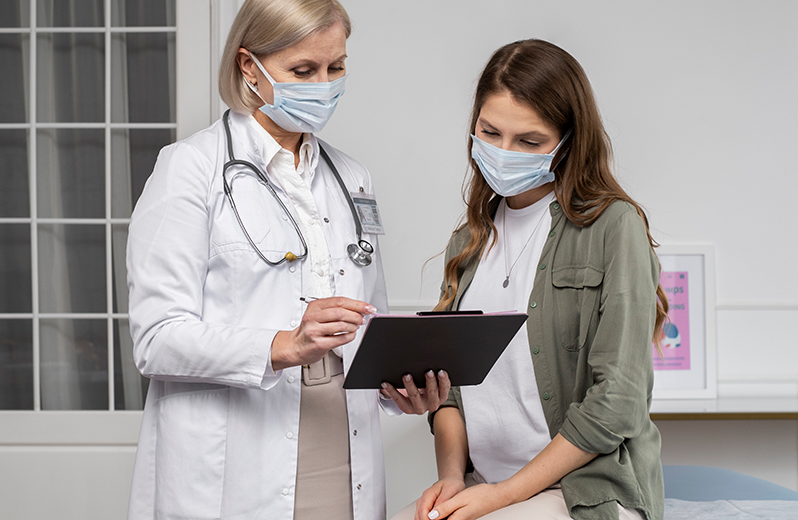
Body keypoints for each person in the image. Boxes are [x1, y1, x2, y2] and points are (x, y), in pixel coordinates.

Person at [125, 1, 449, 519]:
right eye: (303, 71)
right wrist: (283, 344)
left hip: (343, 437)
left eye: (335, 67)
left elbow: (371, 318)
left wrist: (399, 388)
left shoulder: (352, 178)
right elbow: (156, 339)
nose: (323, 85)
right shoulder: (189, 169)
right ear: (249, 67)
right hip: (238, 450)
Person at [393, 39, 668, 520]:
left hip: (583, 492)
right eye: (490, 132)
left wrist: (503, 496)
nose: (504, 152)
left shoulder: (612, 228)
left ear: (566, 142)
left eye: (529, 141)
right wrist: (454, 479)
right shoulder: (468, 243)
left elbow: (619, 401)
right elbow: (451, 391)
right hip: (484, 484)